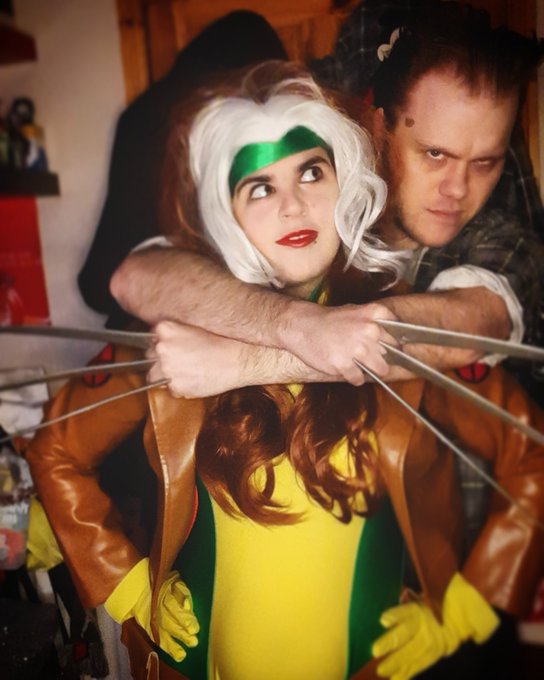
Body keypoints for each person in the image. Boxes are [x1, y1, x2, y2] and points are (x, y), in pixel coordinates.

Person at [26, 64, 544, 680]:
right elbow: (57, 449)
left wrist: (464, 610)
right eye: (260, 188)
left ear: (345, 182)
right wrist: (128, 587)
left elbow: (530, 455)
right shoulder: (179, 341)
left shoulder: (406, 334)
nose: (293, 204)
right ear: (227, 213)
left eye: (311, 172)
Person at [108, 1, 544, 397]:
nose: (458, 188)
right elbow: (136, 275)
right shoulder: (314, 208)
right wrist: (298, 326)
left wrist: (242, 361)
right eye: (435, 154)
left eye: (485, 162)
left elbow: (464, 330)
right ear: (378, 129)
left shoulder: (510, 243)